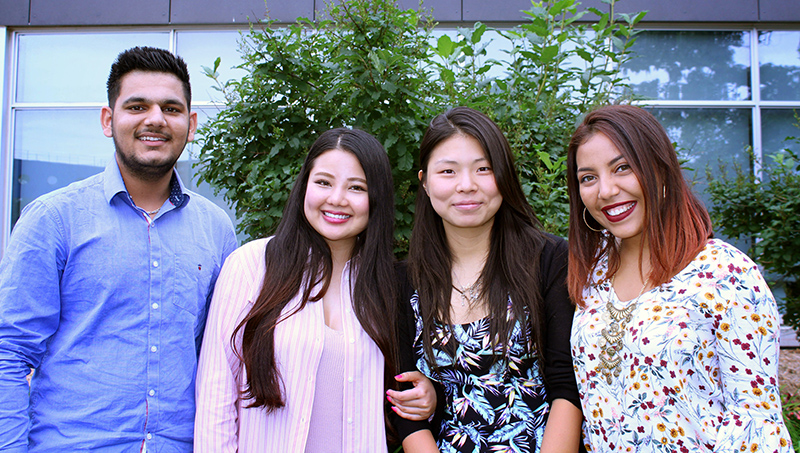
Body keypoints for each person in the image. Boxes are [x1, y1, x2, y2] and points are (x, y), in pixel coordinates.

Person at [0, 46, 237, 452]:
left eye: (171, 108)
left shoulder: (216, 229)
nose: (156, 120)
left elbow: (224, 357)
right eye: (137, 106)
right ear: (109, 120)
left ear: (191, 124)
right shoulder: (54, 218)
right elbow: (9, 352)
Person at [567, 104, 792, 452]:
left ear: (660, 168)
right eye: (588, 177)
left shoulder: (724, 273)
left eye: (622, 168)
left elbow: (754, 423)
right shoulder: (591, 275)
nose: (606, 190)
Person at [194, 127, 432, 452]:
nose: (336, 198)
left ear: (376, 198)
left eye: (357, 187)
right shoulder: (251, 266)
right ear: (304, 185)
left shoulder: (390, 285)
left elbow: (415, 382)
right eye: (323, 182)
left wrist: (428, 396)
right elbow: (215, 394)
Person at [390, 106, 584, 452]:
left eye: (484, 169)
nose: (467, 185)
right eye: (448, 171)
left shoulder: (549, 260)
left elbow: (567, 387)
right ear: (424, 182)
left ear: (505, 177)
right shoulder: (405, 281)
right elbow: (406, 407)